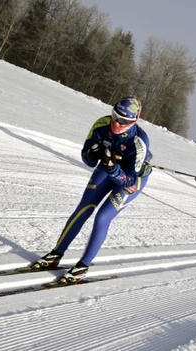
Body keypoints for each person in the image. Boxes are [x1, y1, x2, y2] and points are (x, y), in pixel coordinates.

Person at [32, 95, 152, 283]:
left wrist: (113, 168)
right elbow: (87, 160)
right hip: (106, 169)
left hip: (131, 179)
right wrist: (92, 153)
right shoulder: (101, 125)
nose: (117, 123)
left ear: (134, 120)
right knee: (84, 207)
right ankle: (56, 253)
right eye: (116, 116)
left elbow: (128, 182)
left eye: (124, 121)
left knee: (103, 216)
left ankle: (83, 265)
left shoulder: (139, 141)